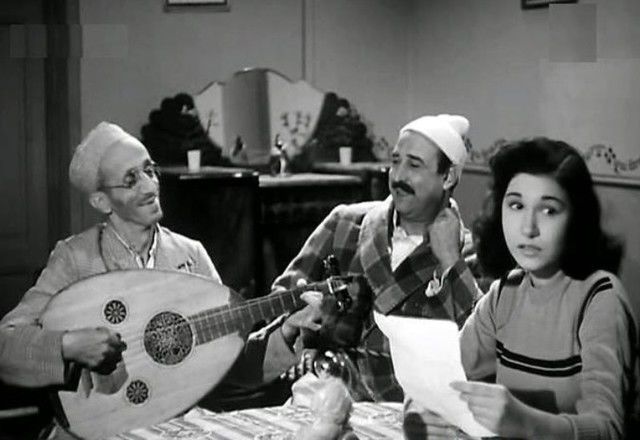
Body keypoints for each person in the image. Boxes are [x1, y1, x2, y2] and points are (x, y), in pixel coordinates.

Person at [0, 122, 314, 437]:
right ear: (102, 202)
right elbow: (6, 344)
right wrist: (67, 346)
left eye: (150, 171)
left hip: (174, 427)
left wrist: (287, 330)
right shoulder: (76, 258)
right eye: (131, 180)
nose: (150, 187)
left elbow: (233, 365)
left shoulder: (190, 255)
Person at [272, 114, 483, 401]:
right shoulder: (345, 222)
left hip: (410, 409)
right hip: (321, 394)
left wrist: (450, 262)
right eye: (396, 161)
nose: (398, 176)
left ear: (448, 177)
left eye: (414, 165)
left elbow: (481, 350)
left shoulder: (469, 254)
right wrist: (301, 325)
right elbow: (280, 301)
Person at [452, 137, 638, 439]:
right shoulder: (505, 292)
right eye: (516, 205)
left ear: (576, 218)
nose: (528, 228)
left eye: (549, 210)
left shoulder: (600, 297)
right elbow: (450, 372)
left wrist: (526, 422)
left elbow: (608, 428)